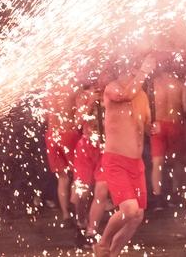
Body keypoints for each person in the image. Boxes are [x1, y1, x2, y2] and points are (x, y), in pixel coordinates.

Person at [93, 54, 157, 257]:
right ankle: (102, 244)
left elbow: (145, 125)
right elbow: (126, 95)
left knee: (137, 215)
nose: (135, 73)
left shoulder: (142, 96)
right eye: (133, 70)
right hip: (116, 160)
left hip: (136, 164)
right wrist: (145, 71)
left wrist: (151, 128)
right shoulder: (112, 88)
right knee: (129, 210)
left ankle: (113, 254)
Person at [72, 70, 110, 245]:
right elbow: (77, 123)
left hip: (107, 148)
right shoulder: (83, 96)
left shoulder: (113, 94)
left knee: (101, 191)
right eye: (103, 74)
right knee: (82, 192)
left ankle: (91, 231)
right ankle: (80, 222)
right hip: (87, 147)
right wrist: (90, 103)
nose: (105, 78)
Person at [42, 81, 81, 228]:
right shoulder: (72, 87)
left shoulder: (48, 89)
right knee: (77, 175)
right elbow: (79, 115)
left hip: (52, 135)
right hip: (68, 133)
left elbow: (45, 115)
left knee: (62, 178)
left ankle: (65, 214)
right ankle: (77, 211)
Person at [149, 64, 186, 207]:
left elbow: (149, 105)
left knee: (157, 163)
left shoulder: (155, 83)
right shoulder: (180, 84)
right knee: (177, 161)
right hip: (175, 125)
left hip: (158, 125)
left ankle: (158, 198)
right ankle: (175, 193)